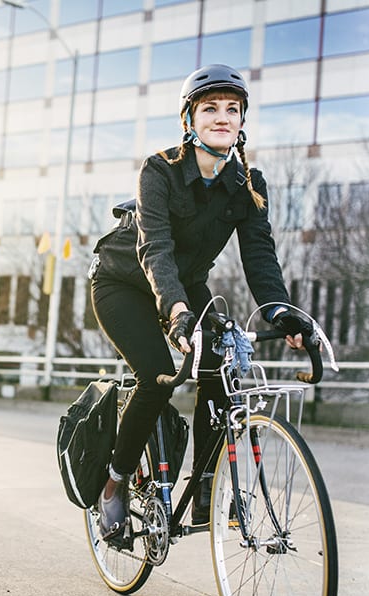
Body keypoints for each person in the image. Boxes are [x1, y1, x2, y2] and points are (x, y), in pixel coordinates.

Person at [88, 64, 313, 539]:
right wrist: (175, 313)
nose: (222, 117)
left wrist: (279, 310)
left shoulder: (248, 184)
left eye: (233, 109)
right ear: (190, 119)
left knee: (220, 362)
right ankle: (115, 482)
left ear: (241, 122)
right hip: (124, 281)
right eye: (210, 107)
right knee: (157, 376)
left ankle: (207, 483)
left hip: (187, 287)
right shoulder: (160, 170)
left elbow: (259, 255)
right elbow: (156, 249)